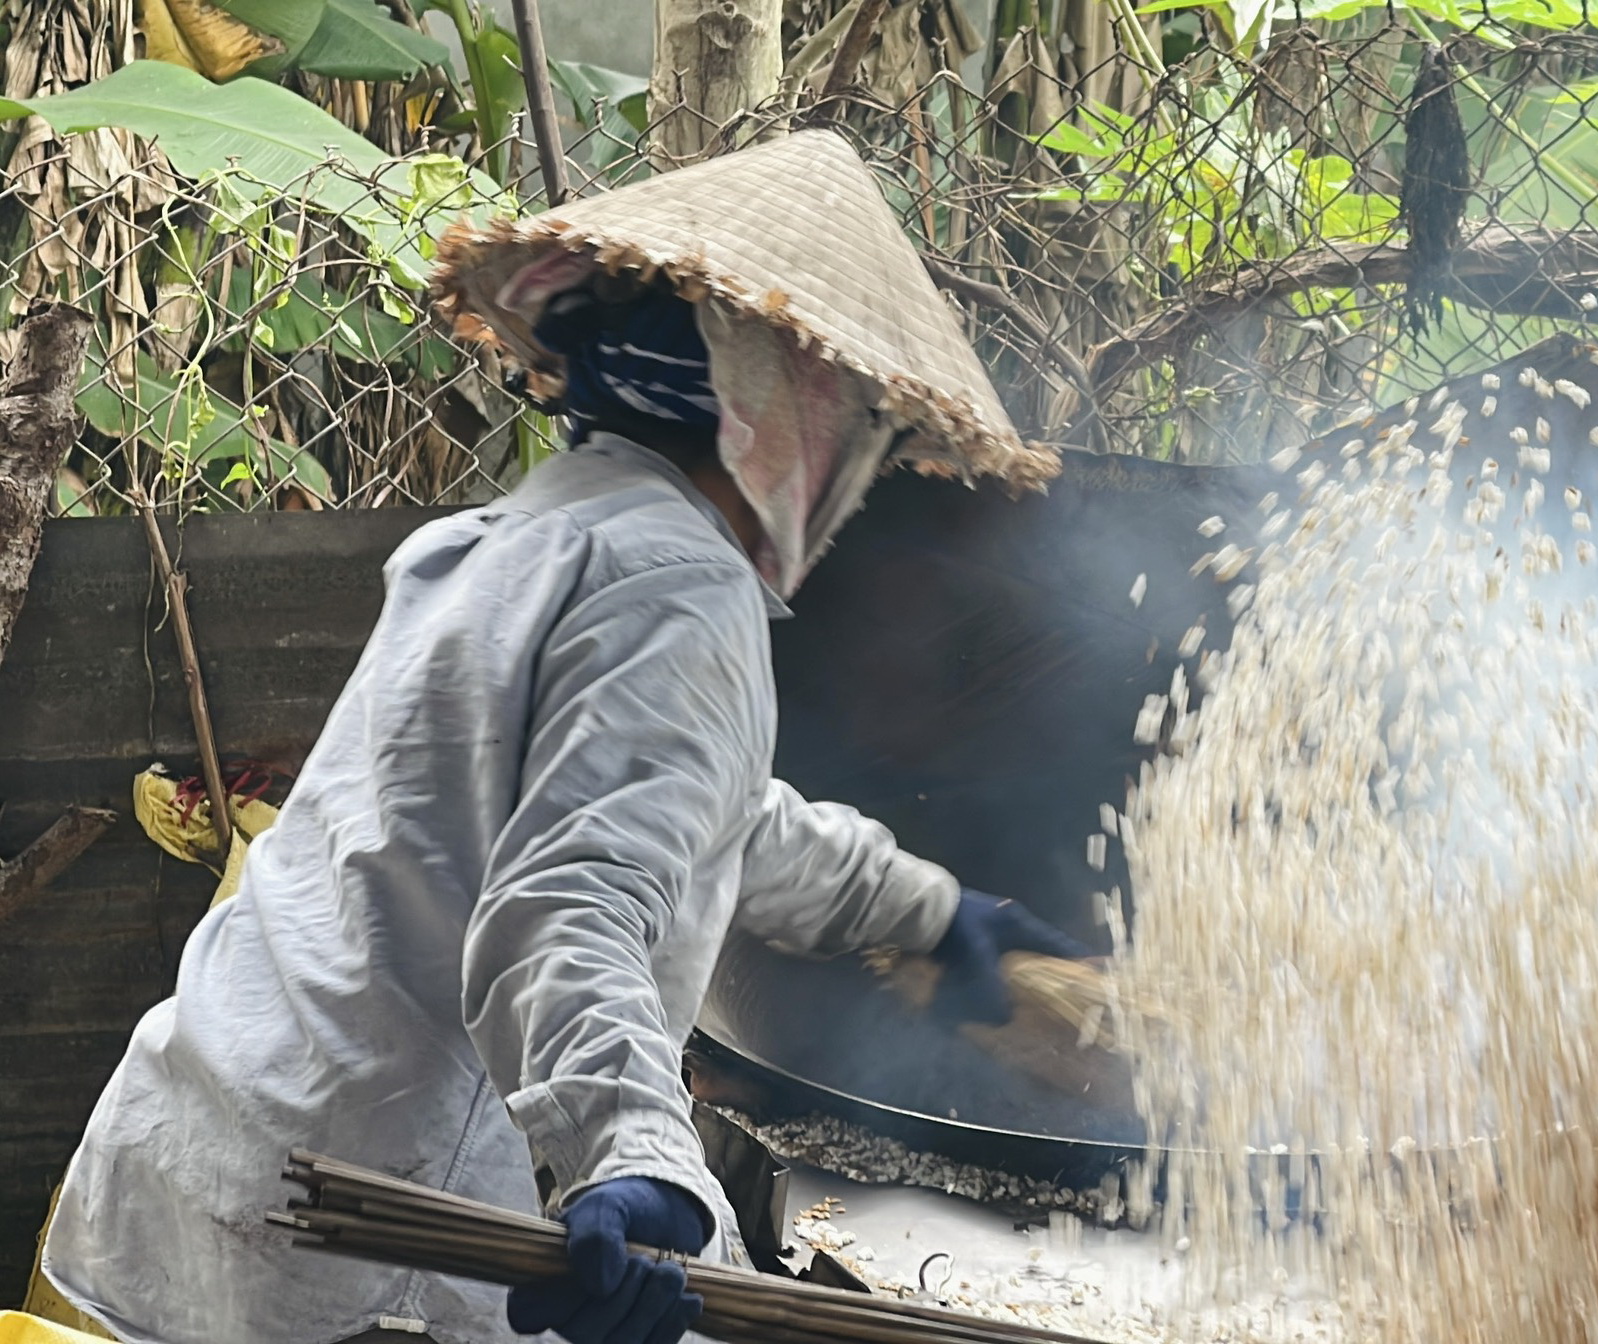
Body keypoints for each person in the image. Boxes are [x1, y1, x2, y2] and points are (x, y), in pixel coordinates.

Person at [40, 133, 1082, 1344]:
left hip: (192, 1161)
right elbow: (570, 900)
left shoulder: (537, 531)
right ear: (776, 407)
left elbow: (702, 815)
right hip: (343, 1237)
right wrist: (634, 1165)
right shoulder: (678, 582)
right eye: (849, 420)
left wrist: (927, 912)